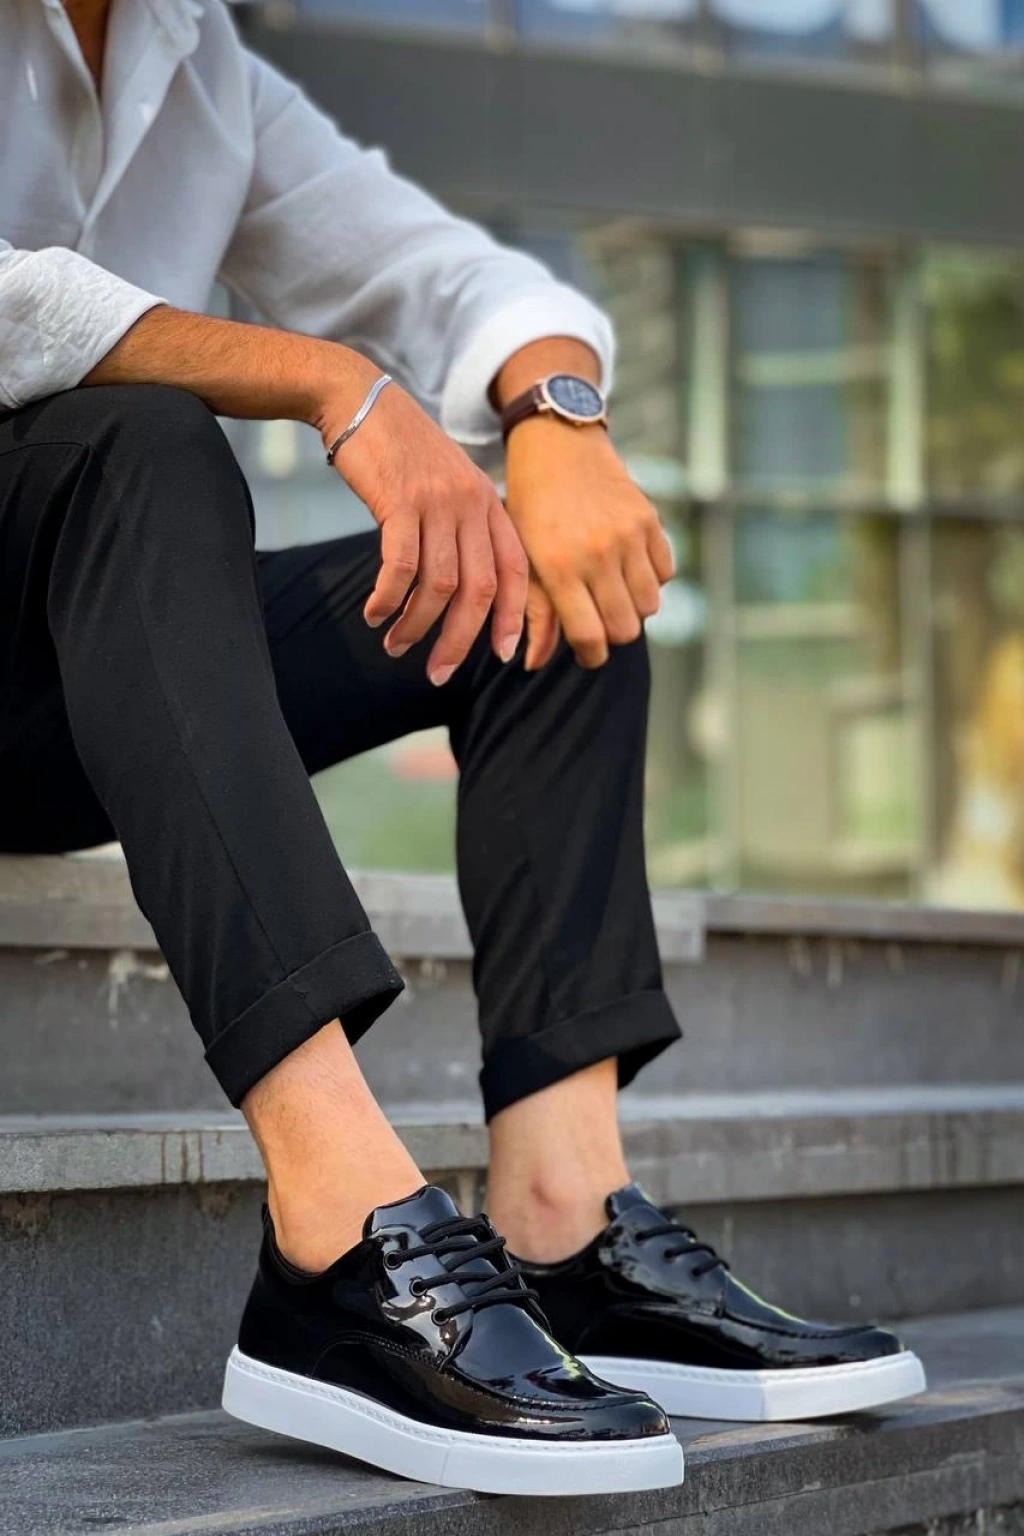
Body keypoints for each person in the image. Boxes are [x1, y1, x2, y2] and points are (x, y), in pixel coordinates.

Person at [0, 0, 925, 1498]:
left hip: (84, 679)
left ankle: (566, 1219)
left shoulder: (193, 59)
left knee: (540, 593)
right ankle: (331, 1238)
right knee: (141, 437)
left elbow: (440, 271)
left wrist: (554, 420)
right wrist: (331, 382)